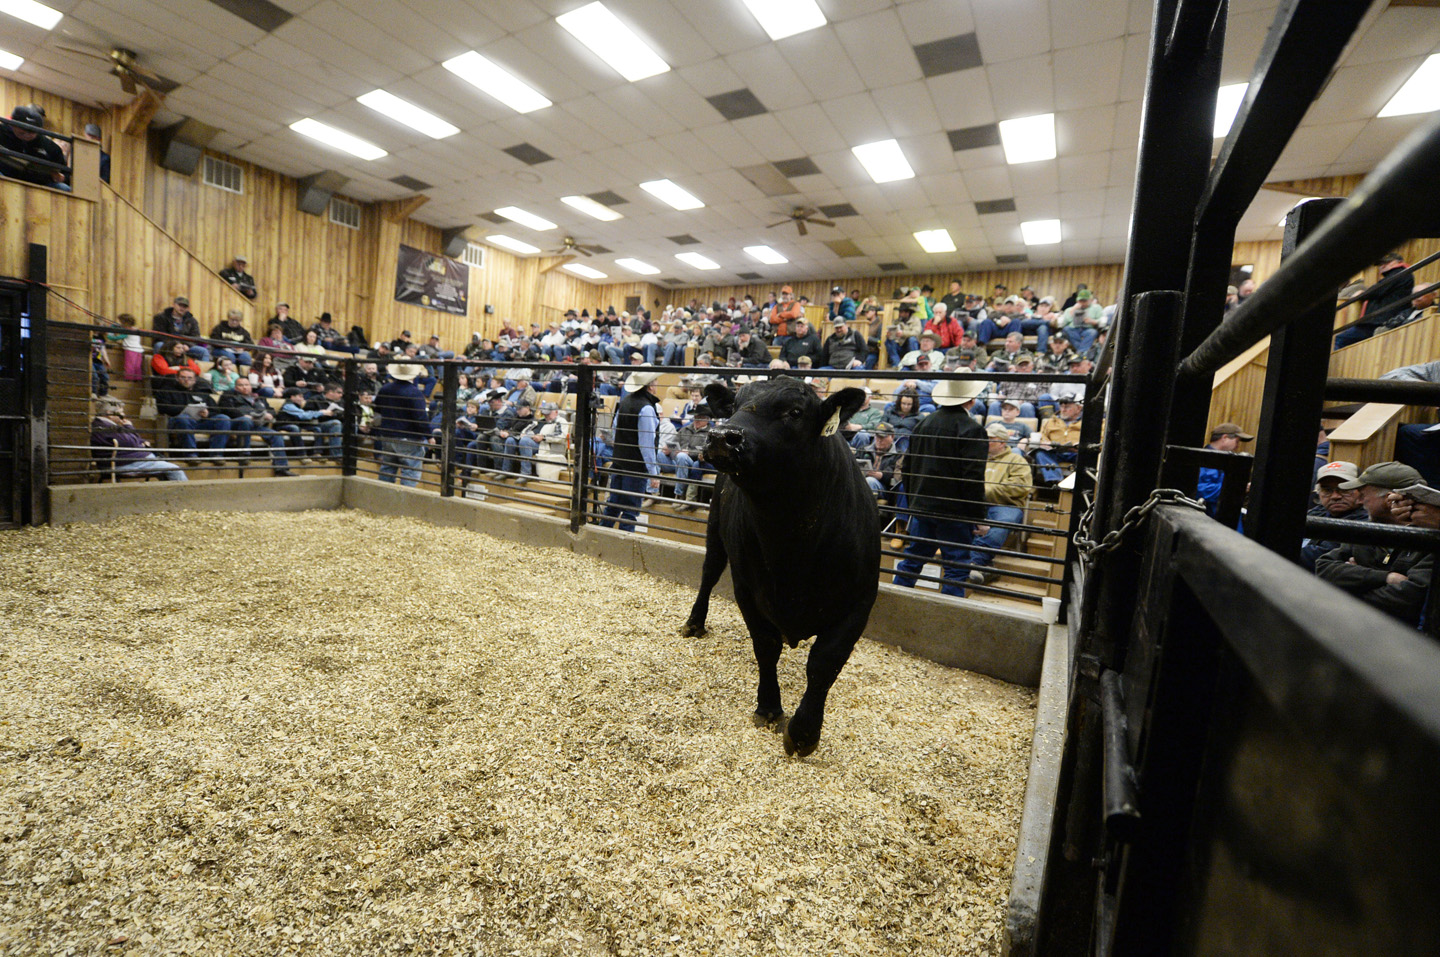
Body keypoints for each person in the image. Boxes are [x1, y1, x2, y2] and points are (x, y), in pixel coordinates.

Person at [893, 378, 988, 597]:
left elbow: (907, 466)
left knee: (912, 561)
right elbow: (972, 477)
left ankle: (895, 607)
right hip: (953, 511)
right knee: (956, 566)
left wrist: (913, 501)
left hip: (922, 506)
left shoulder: (924, 424)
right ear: (971, 401)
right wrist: (978, 517)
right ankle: (948, 620)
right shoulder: (972, 429)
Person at [1316, 462, 1432, 627]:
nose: (1359, 500)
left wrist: (1351, 584)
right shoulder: (1365, 532)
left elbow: (1409, 598)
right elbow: (1324, 568)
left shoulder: (1429, 540)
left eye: (1363, 494)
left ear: (1389, 499)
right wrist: (1386, 577)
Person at [968, 422, 1035, 584]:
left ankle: (974, 560)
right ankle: (979, 565)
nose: (985, 442)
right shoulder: (976, 458)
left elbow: (1021, 487)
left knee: (1002, 522)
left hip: (1006, 505)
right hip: (976, 503)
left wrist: (986, 490)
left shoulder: (1016, 460)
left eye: (990, 439)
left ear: (1003, 442)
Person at [601, 370, 662, 532]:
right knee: (630, 510)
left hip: (619, 462)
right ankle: (623, 546)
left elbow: (614, 430)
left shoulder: (625, 402)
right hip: (635, 467)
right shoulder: (647, 409)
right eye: (655, 381)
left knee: (613, 505)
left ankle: (600, 538)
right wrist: (653, 472)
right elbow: (646, 444)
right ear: (650, 386)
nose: (656, 384)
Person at [89, 398, 187, 481]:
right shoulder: (106, 427)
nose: (123, 414)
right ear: (109, 413)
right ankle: (186, 498)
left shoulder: (105, 425)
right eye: (121, 412)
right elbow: (132, 441)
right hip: (123, 464)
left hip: (128, 460)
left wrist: (139, 441)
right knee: (175, 469)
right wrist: (129, 427)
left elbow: (136, 440)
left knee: (165, 469)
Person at [219, 377, 295, 475]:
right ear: (236, 387)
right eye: (241, 385)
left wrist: (270, 414)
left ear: (250, 386)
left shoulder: (258, 397)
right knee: (245, 420)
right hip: (237, 423)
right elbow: (225, 408)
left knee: (276, 435)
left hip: (257, 425)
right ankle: (244, 455)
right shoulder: (228, 395)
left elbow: (271, 409)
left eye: (246, 385)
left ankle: (282, 468)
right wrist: (242, 415)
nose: (244, 387)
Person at [1299, 461, 1367, 571]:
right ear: (1318, 492)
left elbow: (1318, 557)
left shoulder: (1365, 520)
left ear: (1362, 491)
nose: (1335, 496)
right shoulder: (1318, 511)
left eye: (1344, 489)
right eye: (1327, 490)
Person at [154, 367, 233, 461]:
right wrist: (185, 409)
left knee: (223, 418)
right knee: (184, 418)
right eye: (183, 377)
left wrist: (208, 413)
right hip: (177, 422)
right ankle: (191, 455)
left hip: (201, 421)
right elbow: (163, 408)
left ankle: (216, 455)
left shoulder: (202, 392)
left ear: (195, 380)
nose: (186, 380)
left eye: (189, 378)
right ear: (177, 378)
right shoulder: (167, 391)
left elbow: (216, 410)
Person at [374, 363, 430, 486]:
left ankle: (383, 498)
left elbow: (377, 409)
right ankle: (405, 501)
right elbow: (420, 418)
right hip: (408, 436)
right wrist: (429, 436)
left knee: (387, 468)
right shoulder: (414, 393)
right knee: (410, 470)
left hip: (388, 434)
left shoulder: (385, 389)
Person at [0, 105, 69, 190]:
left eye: (32, 131)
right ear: (13, 124)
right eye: (23, 129)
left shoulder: (51, 147)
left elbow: (67, 174)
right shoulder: (1, 132)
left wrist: (62, 177)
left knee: (63, 188)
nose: (27, 134)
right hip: (4, 176)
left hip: (37, 184)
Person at [1197, 422, 1254, 518]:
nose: (1237, 446)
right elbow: (1203, 490)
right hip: (1213, 520)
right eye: (1237, 441)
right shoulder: (1208, 459)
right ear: (1224, 438)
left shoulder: (1219, 460)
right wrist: (1238, 488)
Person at [277, 386, 343, 462]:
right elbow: (303, 415)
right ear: (292, 397)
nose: (303, 399)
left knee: (317, 428)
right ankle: (302, 455)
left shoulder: (297, 406)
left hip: (297, 425)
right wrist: (321, 412)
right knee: (294, 428)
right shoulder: (288, 405)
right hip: (283, 425)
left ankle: (317, 453)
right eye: (300, 396)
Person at [1034, 395, 1085, 485]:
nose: (1063, 410)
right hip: (1056, 452)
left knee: (1088, 456)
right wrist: (1046, 443)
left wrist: (1082, 445)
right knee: (1040, 453)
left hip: (1078, 453)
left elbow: (1099, 440)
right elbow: (1042, 436)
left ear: (1078, 408)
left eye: (1067, 407)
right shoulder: (1051, 421)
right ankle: (1056, 481)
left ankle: (1081, 484)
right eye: (1061, 406)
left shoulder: (1088, 422)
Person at [152, 296, 210, 361]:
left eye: (184, 306)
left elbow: (196, 337)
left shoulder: (192, 321)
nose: (182, 308)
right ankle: (159, 368)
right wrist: (174, 345)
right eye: (180, 305)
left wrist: (187, 345)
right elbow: (159, 335)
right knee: (159, 345)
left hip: (185, 346)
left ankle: (205, 371)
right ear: (174, 305)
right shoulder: (161, 317)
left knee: (204, 352)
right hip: (167, 345)